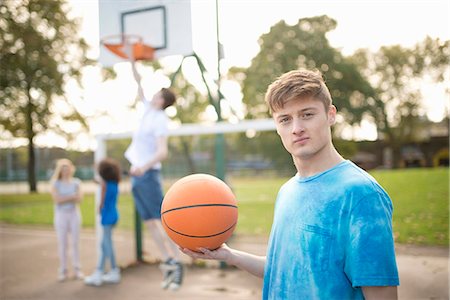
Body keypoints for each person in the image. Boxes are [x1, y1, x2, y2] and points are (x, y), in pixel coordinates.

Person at [182, 69, 400, 299]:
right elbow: (284, 271)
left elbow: (381, 293)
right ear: (276, 125)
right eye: (285, 119)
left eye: (307, 114)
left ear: (331, 114)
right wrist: (230, 256)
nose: (296, 128)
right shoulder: (288, 191)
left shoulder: (361, 194)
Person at [124, 51, 184, 291]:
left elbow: (162, 152)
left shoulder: (159, 119)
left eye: (157, 94)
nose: (152, 96)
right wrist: (130, 56)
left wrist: (142, 166)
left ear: (161, 100)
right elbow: (138, 82)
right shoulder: (147, 111)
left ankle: (179, 260)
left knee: (161, 220)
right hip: (138, 174)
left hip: (147, 175)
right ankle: (169, 260)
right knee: (149, 222)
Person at [84, 158, 121, 286]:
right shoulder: (115, 182)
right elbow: (100, 182)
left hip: (107, 216)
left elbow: (101, 204)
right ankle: (104, 271)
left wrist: (99, 208)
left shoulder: (105, 184)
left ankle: (108, 271)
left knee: (106, 245)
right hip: (114, 214)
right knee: (105, 244)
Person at [50, 158, 84, 281]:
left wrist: (65, 197)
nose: (66, 171)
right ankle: (63, 270)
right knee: (63, 243)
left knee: (75, 242)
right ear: (60, 170)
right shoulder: (55, 183)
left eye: (67, 168)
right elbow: (57, 200)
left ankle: (77, 269)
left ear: (71, 169)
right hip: (61, 215)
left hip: (74, 214)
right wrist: (72, 196)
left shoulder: (76, 182)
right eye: (63, 169)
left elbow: (79, 198)